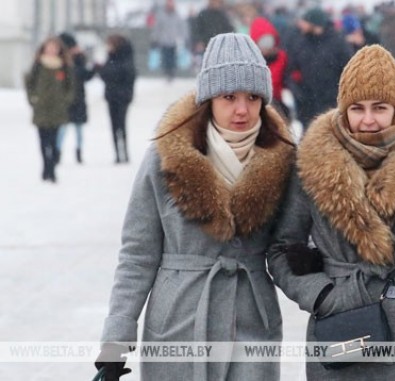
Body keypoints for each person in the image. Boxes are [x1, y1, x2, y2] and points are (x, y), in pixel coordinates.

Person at [268, 45, 395, 379]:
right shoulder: (310, 165)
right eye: (357, 108)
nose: (368, 119)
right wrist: (324, 296)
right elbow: (282, 250)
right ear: (343, 110)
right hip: (340, 328)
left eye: (379, 107)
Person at [95, 33, 295, 380]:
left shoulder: (283, 160)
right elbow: (137, 254)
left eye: (253, 97)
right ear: (208, 98)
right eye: (229, 97)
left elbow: (289, 247)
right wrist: (116, 337)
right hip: (179, 321)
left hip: (251, 319)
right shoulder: (166, 156)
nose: (242, 109)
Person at [287, 7, 352, 130]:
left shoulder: (337, 42)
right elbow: (292, 69)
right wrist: (297, 90)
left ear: (314, 23)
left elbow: (348, 70)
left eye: (305, 22)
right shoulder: (301, 42)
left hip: (331, 103)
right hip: (307, 104)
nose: (301, 25)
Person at [24, 36, 75, 183]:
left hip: (58, 109)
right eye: (49, 46)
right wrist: (33, 98)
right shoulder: (38, 64)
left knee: (53, 140)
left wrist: (66, 100)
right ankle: (46, 166)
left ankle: (52, 167)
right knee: (43, 139)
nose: (51, 49)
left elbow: (70, 86)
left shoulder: (64, 65)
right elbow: (30, 83)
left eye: (54, 47)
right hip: (41, 108)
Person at [57, 32, 96, 164]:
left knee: (78, 129)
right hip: (65, 99)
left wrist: (93, 67)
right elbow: (73, 76)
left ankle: (78, 152)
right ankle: (58, 153)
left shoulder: (79, 59)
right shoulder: (62, 61)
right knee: (63, 128)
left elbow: (85, 76)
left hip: (78, 98)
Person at [97, 34, 136, 164]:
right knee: (114, 126)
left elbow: (125, 75)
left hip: (122, 97)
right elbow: (105, 75)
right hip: (112, 96)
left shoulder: (124, 59)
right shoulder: (111, 59)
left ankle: (124, 152)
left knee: (121, 125)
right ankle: (118, 154)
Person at [249, 16, 290, 121]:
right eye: (263, 43)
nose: (267, 47)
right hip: (259, 106)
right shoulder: (251, 62)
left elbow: (289, 79)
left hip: (280, 104)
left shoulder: (282, 57)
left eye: (269, 42)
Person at [150, 0, 189, 82]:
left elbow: (182, 27)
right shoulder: (161, 15)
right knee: (165, 58)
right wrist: (155, 38)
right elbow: (157, 28)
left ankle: (172, 73)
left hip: (174, 41)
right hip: (164, 41)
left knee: (173, 59)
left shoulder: (177, 15)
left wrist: (183, 37)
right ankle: (166, 73)